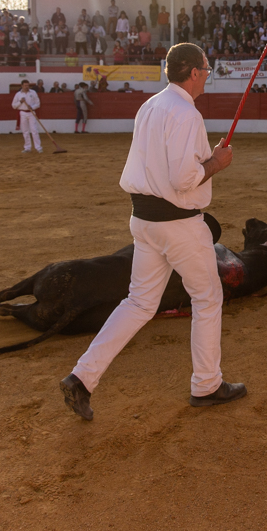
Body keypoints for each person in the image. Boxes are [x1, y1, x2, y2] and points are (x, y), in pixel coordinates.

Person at [60, 43, 237, 421]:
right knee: (207, 298)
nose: (207, 75)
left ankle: (81, 377)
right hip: (178, 225)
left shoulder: (151, 105)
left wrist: (207, 159)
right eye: (206, 69)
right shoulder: (187, 114)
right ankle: (206, 384)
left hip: (144, 221)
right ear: (192, 72)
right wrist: (217, 163)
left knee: (138, 303)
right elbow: (183, 178)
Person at [12, 78, 43, 153]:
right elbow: (13, 106)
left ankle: (38, 147)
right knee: (25, 131)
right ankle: (27, 147)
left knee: (34, 130)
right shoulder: (18, 94)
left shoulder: (33, 93)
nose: (27, 87)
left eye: (27, 85)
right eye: (25, 85)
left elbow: (38, 103)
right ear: (22, 86)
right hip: (22, 113)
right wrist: (20, 102)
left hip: (31, 112)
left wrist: (32, 107)